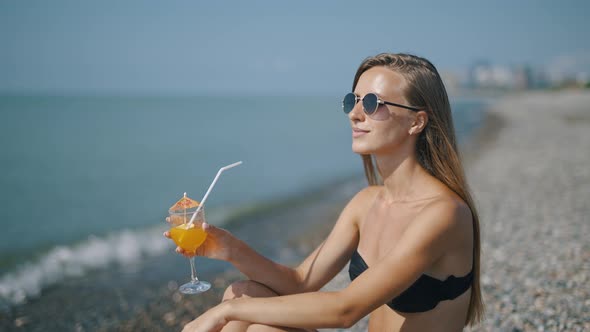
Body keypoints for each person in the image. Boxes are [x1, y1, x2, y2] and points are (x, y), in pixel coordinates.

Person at [165, 52, 484, 332]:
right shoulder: (366, 202)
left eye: (372, 104)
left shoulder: (444, 214)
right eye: (353, 101)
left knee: (249, 319)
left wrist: (224, 312)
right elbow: (300, 282)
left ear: (417, 122)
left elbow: (346, 310)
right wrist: (228, 249)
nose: (355, 114)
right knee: (242, 291)